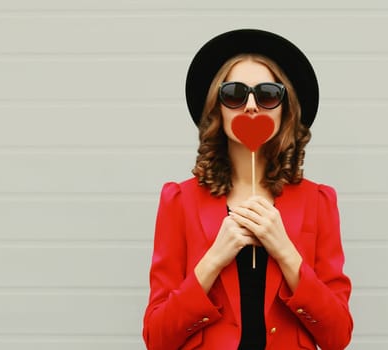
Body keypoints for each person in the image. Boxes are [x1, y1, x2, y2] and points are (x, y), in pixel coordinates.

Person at [143, 29, 353, 350]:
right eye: (235, 94)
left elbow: (338, 337)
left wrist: (285, 251)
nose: (251, 106)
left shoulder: (318, 201)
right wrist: (213, 259)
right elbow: (157, 339)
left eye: (267, 94)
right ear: (218, 108)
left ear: (284, 109)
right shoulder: (179, 201)